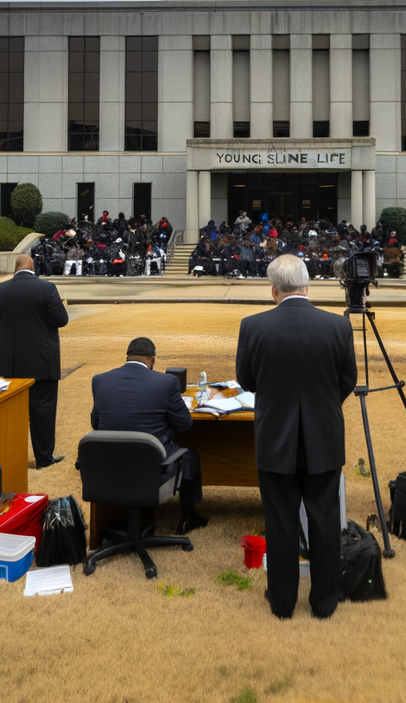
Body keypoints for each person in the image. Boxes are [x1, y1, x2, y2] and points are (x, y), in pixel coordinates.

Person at [235, 254, 357, 619]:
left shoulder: (253, 326)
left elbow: (246, 381)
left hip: (274, 436)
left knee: (280, 521)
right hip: (325, 434)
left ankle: (283, 600)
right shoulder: (338, 326)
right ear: (307, 286)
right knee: (325, 520)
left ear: (274, 290)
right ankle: (324, 602)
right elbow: (346, 381)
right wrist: (322, 405)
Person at [90, 337, 207, 534]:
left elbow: (96, 424)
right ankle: (188, 518)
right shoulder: (167, 382)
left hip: (108, 469)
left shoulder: (100, 380)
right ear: (152, 359)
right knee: (191, 455)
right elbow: (185, 424)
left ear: (127, 356)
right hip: (152, 469)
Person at [0, 254, 69, 469]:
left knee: (10, 415)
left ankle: (10, 457)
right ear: (33, 266)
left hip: (9, 363)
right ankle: (44, 458)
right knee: (43, 413)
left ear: (16, 268)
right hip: (41, 361)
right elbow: (61, 319)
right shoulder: (46, 288)